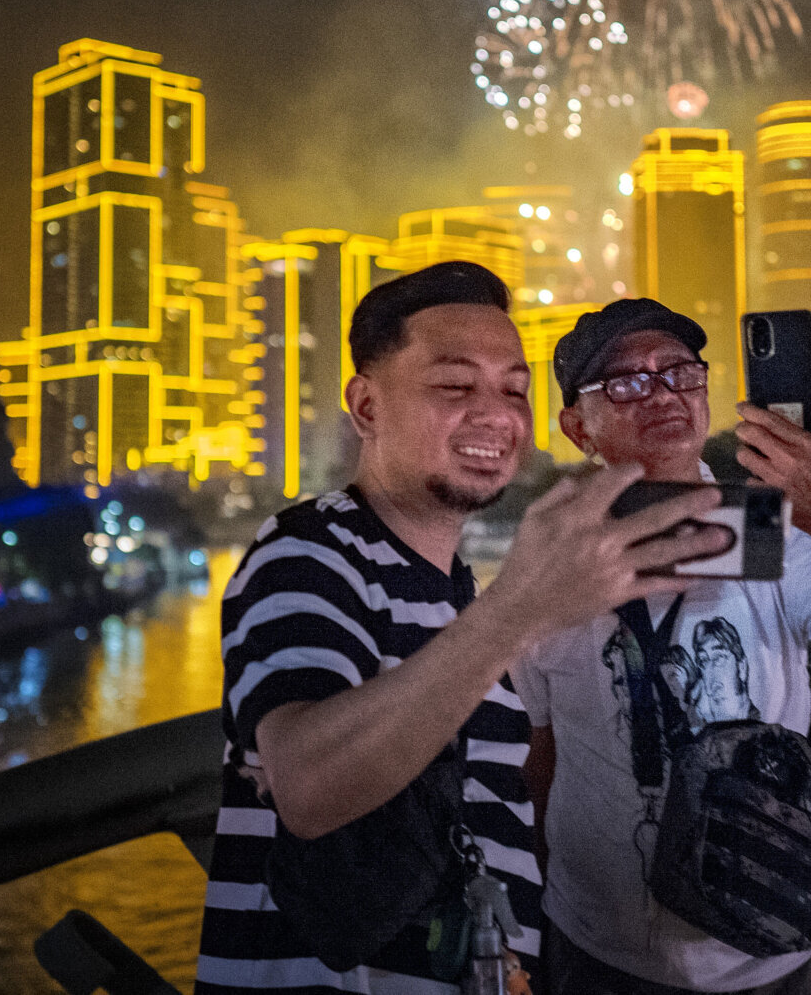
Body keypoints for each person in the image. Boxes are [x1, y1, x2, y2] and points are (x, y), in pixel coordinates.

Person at [196, 264, 731, 994]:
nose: (496, 414)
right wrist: (521, 611)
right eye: (454, 386)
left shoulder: (452, 593)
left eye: (514, 390)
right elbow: (307, 784)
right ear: (366, 406)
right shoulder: (311, 552)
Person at [510, 299, 811, 995]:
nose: (662, 392)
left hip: (769, 941)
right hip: (600, 950)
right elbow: (537, 759)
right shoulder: (550, 556)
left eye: (679, 373)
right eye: (627, 383)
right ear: (578, 427)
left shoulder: (775, 531)